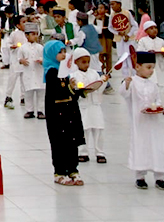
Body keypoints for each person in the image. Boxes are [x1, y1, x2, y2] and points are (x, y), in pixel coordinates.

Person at [123, 51, 164, 190]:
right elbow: (124, 93)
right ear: (137, 67)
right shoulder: (133, 82)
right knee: (140, 146)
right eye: (148, 67)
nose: (151, 71)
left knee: (157, 147)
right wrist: (126, 84)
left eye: (152, 68)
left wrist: (158, 106)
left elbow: (158, 99)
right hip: (139, 122)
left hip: (154, 123)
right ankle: (140, 176)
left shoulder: (153, 84)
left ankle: (160, 177)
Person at [43, 40, 85, 186]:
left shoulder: (66, 72)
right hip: (57, 113)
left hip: (70, 111)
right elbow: (57, 92)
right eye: (59, 52)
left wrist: (75, 87)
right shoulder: (51, 72)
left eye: (64, 51)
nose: (63, 55)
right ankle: (59, 171)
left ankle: (73, 169)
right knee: (59, 142)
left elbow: (72, 93)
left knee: (72, 140)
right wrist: (69, 87)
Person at [69, 48, 108, 164]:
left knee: (98, 129)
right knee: (83, 129)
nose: (86, 65)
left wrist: (103, 81)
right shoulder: (73, 75)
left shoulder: (94, 73)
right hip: (83, 106)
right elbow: (74, 89)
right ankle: (83, 152)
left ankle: (99, 152)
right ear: (76, 62)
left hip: (95, 105)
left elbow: (99, 88)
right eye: (83, 62)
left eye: (88, 62)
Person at [136, 21, 164, 115]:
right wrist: (148, 53)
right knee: (151, 87)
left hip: (159, 66)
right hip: (149, 67)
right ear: (146, 30)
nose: (154, 30)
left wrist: (163, 54)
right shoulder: (143, 41)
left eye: (155, 28)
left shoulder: (161, 41)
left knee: (162, 87)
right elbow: (139, 53)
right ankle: (151, 106)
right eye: (151, 28)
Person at [20, 24, 45, 119]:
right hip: (28, 73)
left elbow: (45, 58)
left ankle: (40, 110)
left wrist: (41, 61)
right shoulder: (22, 47)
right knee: (28, 93)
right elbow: (19, 58)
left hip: (39, 72)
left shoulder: (40, 47)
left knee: (41, 93)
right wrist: (21, 61)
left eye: (36, 34)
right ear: (26, 35)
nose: (35, 36)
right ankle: (29, 110)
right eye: (32, 34)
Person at [3, 15, 26, 110]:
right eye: (23, 22)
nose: (26, 24)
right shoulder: (14, 34)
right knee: (12, 79)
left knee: (24, 79)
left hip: (24, 60)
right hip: (15, 60)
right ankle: (8, 96)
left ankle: (24, 97)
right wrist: (12, 46)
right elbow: (8, 43)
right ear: (18, 25)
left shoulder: (28, 33)